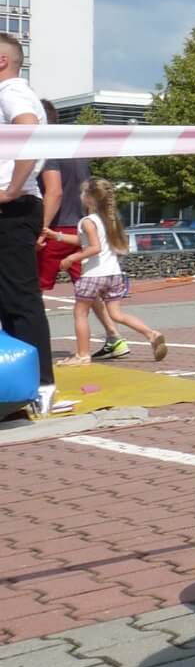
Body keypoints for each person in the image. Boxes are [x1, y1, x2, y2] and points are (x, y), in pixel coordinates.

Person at [34, 102, 128, 359]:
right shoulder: (75, 150)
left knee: (31, 288)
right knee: (88, 288)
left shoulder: (46, 148)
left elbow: (54, 192)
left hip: (56, 229)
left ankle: (30, 341)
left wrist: (41, 230)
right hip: (79, 229)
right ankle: (114, 336)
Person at [0, 32, 57, 416]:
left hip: (13, 207)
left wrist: (11, 189)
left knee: (20, 300)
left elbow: (29, 130)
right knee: (12, 299)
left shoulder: (10, 92)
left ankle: (40, 386)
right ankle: (22, 385)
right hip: (17, 206)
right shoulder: (16, 92)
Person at [58, 180, 167, 364]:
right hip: (113, 274)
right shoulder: (107, 219)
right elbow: (83, 240)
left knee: (80, 313)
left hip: (93, 275)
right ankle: (151, 334)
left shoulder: (87, 221)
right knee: (116, 314)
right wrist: (58, 236)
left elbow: (94, 247)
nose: (80, 196)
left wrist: (71, 259)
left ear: (90, 199)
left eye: (83, 193)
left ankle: (82, 355)